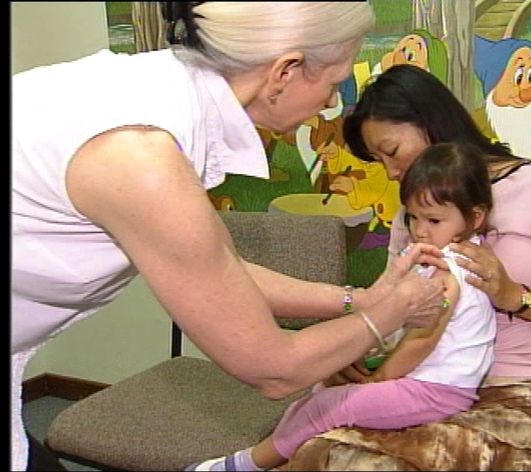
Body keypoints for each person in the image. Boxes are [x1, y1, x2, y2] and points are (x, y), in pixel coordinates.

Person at [11, 4, 450, 471]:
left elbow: (224, 269)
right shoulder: (140, 155)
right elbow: (274, 368)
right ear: (287, 70)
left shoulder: (168, 100)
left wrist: (359, 300)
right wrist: (393, 310)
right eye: (333, 81)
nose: (330, 102)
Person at [279, 64, 531, 470]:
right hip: (424, 388)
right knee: (315, 450)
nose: (390, 172)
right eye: (378, 161)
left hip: (522, 397)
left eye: (391, 152)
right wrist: (354, 356)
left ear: (430, 124)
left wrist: (514, 295)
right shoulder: (415, 217)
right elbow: (393, 311)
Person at [186, 141, 498, 471]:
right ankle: (274, 454)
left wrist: (378, 381)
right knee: (321, 393)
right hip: (432, 382)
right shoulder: (453, 255)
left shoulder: (447, 274)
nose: (419, 230)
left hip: (436, 391)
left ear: (475, 217)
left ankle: (244, 465)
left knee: (330, 406)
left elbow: (422, 341)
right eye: (413, 217)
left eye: (433, 221)